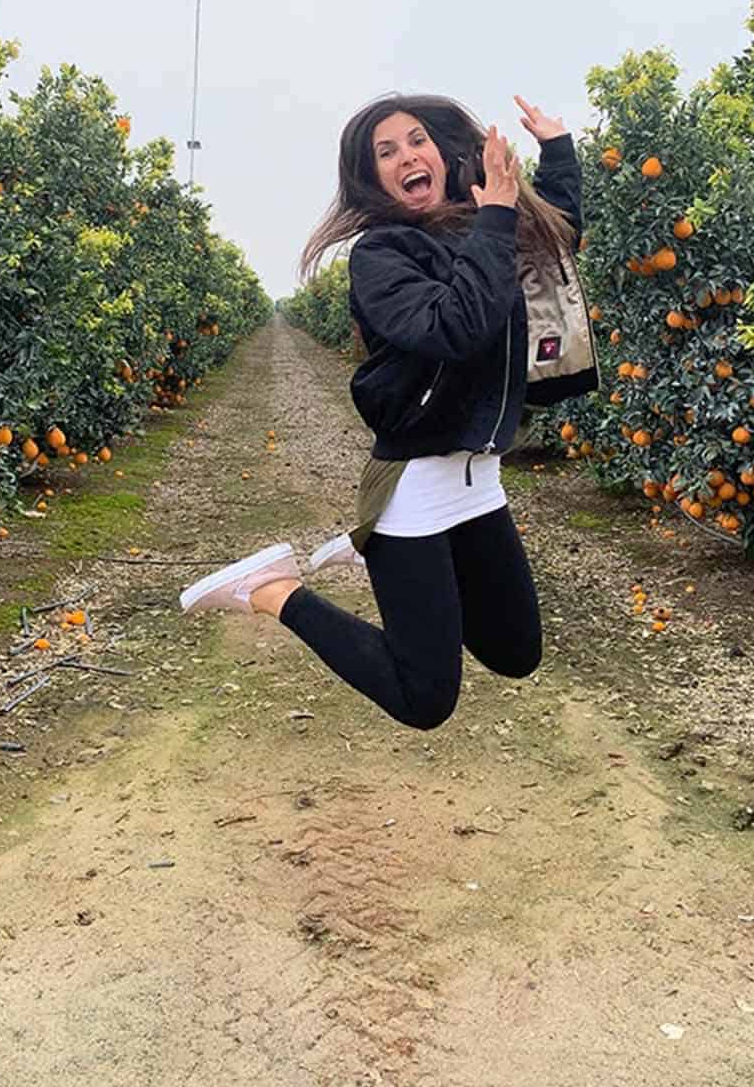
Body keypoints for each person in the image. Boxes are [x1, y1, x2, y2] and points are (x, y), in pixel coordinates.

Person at [179, 91, 584, 730]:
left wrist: (557, 151)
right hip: (415, 486)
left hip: (480, 481)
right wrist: (497, 220)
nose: (406, 157)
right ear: (373, 180)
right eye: (385, 152)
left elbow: (554, 242)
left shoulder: (478, 225)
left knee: (515, 653)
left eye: (416, 140)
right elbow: (457, 328)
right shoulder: (382, 255)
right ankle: (273, 590)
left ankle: (380, 557)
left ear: (446, 153)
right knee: (424, 700)